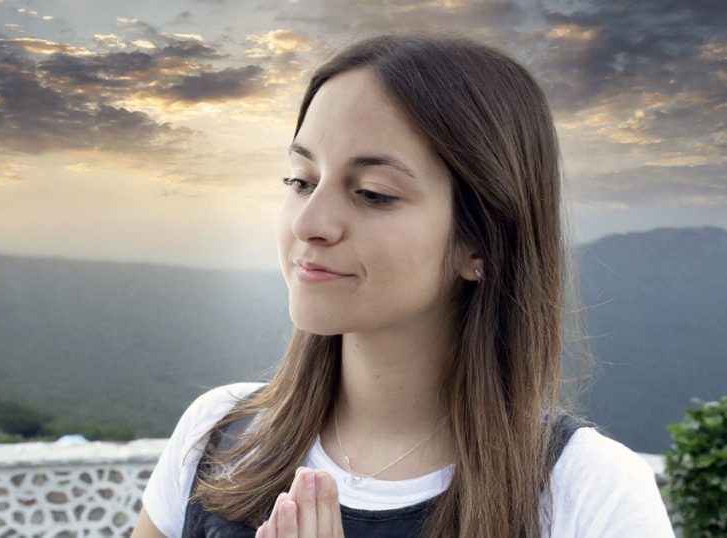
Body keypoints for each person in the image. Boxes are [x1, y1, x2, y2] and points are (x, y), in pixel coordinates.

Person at [131, 33, 674, 538]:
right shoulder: (222, 438)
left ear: (479, 243)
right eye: (301, 180)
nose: (309, 223)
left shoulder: (587, 493)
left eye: (372, 193)